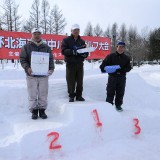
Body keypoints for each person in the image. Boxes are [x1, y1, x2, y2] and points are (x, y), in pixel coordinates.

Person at [20, 28, 54, 119]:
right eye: (35, 33)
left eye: (38, 33)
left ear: (41, 35)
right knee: (32, 94)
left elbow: (50, 59)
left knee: (43, 94)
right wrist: (27, 68)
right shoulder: (26, 47)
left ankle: (42, 110)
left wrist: (51, 69)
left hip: (43, 76)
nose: (37, 35)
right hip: (31, 75)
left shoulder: (46, 47)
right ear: (32, 35)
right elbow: (23, 60)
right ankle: (34, 111)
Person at [100, 42, 131, 111]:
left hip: (122, 78)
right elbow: (102, 66)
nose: (121, 49)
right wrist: (109, 69)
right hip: (112, 77)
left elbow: (129, 67)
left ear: (124, 48)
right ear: (117, 47)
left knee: (120, 92)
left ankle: (118, 105)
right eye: (119, 47)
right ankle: (109, 105)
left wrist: (122, 69)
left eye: (122, 47)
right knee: (110, 91)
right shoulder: (110, 56)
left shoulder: (126, 58)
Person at [61, 24, 89, 102]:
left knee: (80, 80)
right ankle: (71, 96)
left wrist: (84, 54)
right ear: (71, 31)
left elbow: (86, 53)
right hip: (70, 64)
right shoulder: (66, 40)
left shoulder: (82, 41)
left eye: (78, 30)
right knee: (70, 80)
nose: (76, 31)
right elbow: (63, 51)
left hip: (80, 64)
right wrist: (72, 52)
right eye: (74, 30)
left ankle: (79, 96)